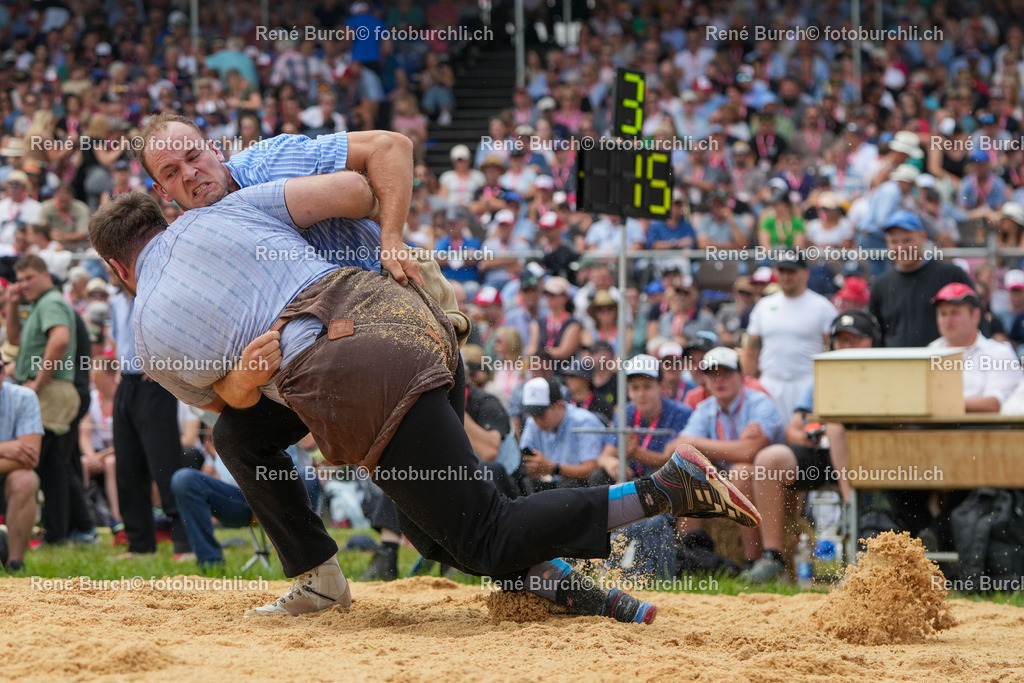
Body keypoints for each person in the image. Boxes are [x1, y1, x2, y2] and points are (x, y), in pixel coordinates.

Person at [89, 187, 761, 624]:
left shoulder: (146, 323)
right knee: (433, 530)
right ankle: (567, 585)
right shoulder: (225, 210)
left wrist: (245, 367)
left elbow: (230, 396)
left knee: (483, 532)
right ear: (165, 216)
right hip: (405, 312)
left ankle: (664, 487)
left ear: (117, 269)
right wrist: (384, 242)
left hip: (353, 371)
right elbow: (362, 180)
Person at [132, 114, 470, 582]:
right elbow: (224, 391)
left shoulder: (269, 163)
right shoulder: (201, 237)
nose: (189, 174)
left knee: (439, 518)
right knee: (236, 436)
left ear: (214, 149)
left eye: (192, 157)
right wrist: (246, 376)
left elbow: (391, 147)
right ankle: (317, 578)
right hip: (327, 361)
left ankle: (565, 544)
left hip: (400, 332)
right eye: (171, 173)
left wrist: (391, 237)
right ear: (163, 192)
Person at [741, 310, 878, 582]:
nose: (844, 346)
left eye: (852, 340)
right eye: (840, 340)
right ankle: (773, 556)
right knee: (769, 460)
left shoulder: (884, 376)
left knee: (837, 424)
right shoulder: (822, 378)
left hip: (872, 457)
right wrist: (810, 433)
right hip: (823, 455)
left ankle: (853, 512)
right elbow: (793, 428)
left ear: (870, 342)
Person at [664, 347, 784, 565]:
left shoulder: (760, 403)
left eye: (726, 373)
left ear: (741, 377)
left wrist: (695, 443)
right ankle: (689, 556)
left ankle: (754, 561)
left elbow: (748, 453)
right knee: (690, 469)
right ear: (705, 380)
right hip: (726, 477)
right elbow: (676, 449)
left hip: (768, 479)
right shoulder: (705, 408)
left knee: (741, 471)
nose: (719, 380)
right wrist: (734, 446)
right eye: (712, 374)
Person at [6, 254, 91, 545]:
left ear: (45, 275)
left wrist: (36, 385)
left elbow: (60, 340)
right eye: (20, 280)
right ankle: (66, 532)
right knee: (54, 466)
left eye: (29, 277)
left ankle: (60, 533)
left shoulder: (52, 302)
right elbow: (15, 340)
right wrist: (14, 304)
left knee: (46, 465)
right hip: (49, 390)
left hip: (50, 391)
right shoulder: (39, 304)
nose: (24, 284)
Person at [742, 253, 837, 420]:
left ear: (805, 273)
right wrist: (747, 383)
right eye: (782, 271)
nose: (786, 276)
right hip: (770, 382)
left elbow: (833, 349)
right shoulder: (764, 306)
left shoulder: (823, 307)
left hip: (807, 384)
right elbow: (751, 350)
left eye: (792, 271)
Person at [869, 210, 974, 347]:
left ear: (923, 237)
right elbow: (877, 334)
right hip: (896, 364)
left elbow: (976, 319)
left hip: (942, 362)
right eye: (894, 242)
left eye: (907, 240)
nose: (901, 248)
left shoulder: (951, 275)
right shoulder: (880, 285)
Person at [927, 283, 1023, 413]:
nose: (948, 320)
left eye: (955, 313)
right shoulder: (929, 351)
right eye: (943, 314)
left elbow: (995, 404)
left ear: (976, 315)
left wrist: (935, 404)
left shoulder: (999, 353)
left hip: (984, 431)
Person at [519, 376, 605, 488]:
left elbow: (592, 469)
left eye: (541, 414)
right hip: (554, 485)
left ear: (559, 405)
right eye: (533, 415)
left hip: (580, 488)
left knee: (568, 485)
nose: (537, 420)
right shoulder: (532, 421)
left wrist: (554, 468)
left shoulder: (584, 421)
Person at [0, 367, 44, 571]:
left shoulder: (24, 397)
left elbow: (30, 458)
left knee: (26, 480)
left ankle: (15, 564)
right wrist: (5, 447)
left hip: (8, 478)